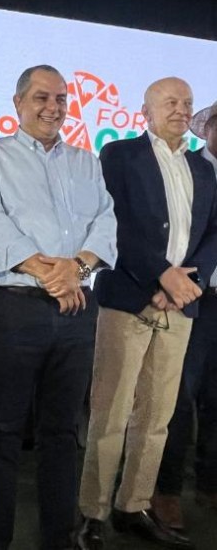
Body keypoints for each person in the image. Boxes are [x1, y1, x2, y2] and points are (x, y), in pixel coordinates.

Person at [0, 65, 117, 550]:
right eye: (41, 97)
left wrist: (76, 268)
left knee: (63, 430)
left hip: (77, 310)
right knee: (2, 429)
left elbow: (106, 222)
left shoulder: (87, 162)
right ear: (18, 103)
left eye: (60, 98)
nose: (53, 107)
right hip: (15, 308)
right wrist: (50, 273)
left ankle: (58, 537)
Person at [77, 78, 217, 550]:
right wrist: (161, 275)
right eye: (170, 102)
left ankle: (133, 507)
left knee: (158, 416)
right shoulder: (119, 155)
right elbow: (112, 224)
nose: (181, 109)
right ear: (146, 111)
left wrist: (188, 282)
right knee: (111, 412)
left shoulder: (203, 169)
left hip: (181, 306)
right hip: (128, 298)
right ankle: (92, 514)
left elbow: (213, 232)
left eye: (187, 103)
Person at [152, 102, 217, 530]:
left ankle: (210, 484)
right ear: (208, 127)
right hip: (190, 296)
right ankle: (165, 490)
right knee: (175, 397)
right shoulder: (186, 166)